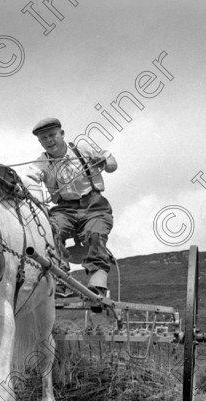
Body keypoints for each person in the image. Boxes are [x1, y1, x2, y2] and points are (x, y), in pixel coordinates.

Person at [26, 117, 118, 304]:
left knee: (95, 234)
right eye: (44, 139)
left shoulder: (82, 149)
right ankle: (61, 281)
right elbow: (30, 178)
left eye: (52, 135)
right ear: (40, 142)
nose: (49, 141)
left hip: (94, 205)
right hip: (64, 209)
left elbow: (112, 164)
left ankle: (97, 282)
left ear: (62, 134)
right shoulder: (42, 161)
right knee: (49, 231)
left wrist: (104, 160)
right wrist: (28, 188)